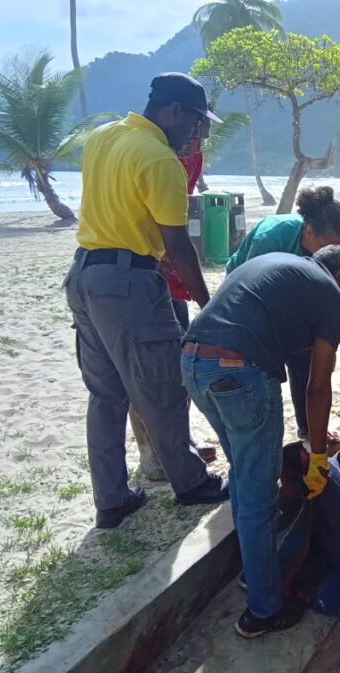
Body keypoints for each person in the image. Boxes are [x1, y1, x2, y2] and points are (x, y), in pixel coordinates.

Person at [64, 72, 229, 529]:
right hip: (128, 282)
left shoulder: (103, 136)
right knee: (163, 386)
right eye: (195, 123)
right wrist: (207, 305)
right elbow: (178, 247)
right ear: (173, 112)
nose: (196, 135)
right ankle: (192, 483)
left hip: (83, 274)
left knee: (106, 395)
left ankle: (111, 499)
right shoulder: (160, 161)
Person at [182, 246, 340, 637]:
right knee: (259, 499)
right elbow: (318, 387)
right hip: (240, 370)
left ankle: (256, 572)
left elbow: (301, 372)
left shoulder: (279, 268)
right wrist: (317, 456)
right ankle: (264, 610)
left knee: (246, 481)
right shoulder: (331, 295)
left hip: (194, 363)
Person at [225, 186, 340, 442]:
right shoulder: (272, 237)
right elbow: (250, 289)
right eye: (327, 247)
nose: (331, 255)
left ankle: (308, 427)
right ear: (308, 231)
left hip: (290, 296)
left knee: (306, 358)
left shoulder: (322, 252)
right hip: (247, 299)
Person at [129, 135, 217, 481]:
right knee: (146, 369)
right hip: (143, 269)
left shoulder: (191, 157)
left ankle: (177, 442)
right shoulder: (150, 155)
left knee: (179, 361)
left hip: (172, 274)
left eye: (204, 133)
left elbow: (178, 219)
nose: (198, 139)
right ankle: (150, 452)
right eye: (195, 129)